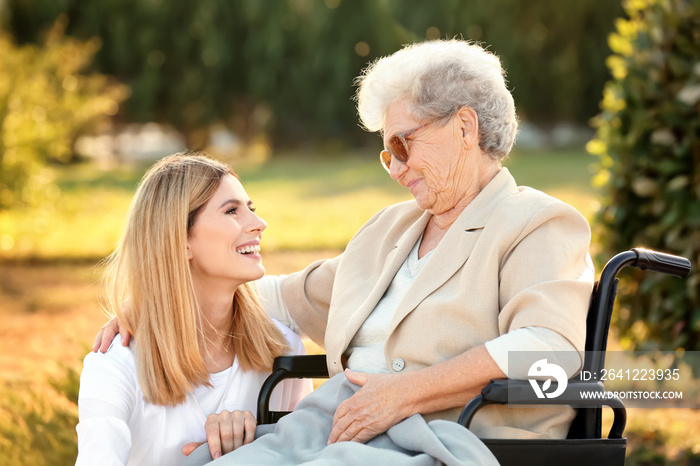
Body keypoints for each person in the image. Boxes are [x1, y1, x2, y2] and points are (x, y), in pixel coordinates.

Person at [97, 39, 594, 464]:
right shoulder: (391, 230)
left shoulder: (536, 222)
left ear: (465, 128)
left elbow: (546, 347)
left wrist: (405, 394)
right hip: (337, 434)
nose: (396, 170)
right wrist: (153, 304)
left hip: (450, 441)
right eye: (386, 154)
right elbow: (277, 297)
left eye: (403, 145)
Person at [76, 154, 311, 465]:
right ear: (180, 239)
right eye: (231, 211)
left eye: (251, 209)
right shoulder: (115, 364)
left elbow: (305, 454)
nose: (258, 224)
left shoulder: (282, 350)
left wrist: (254, 448)